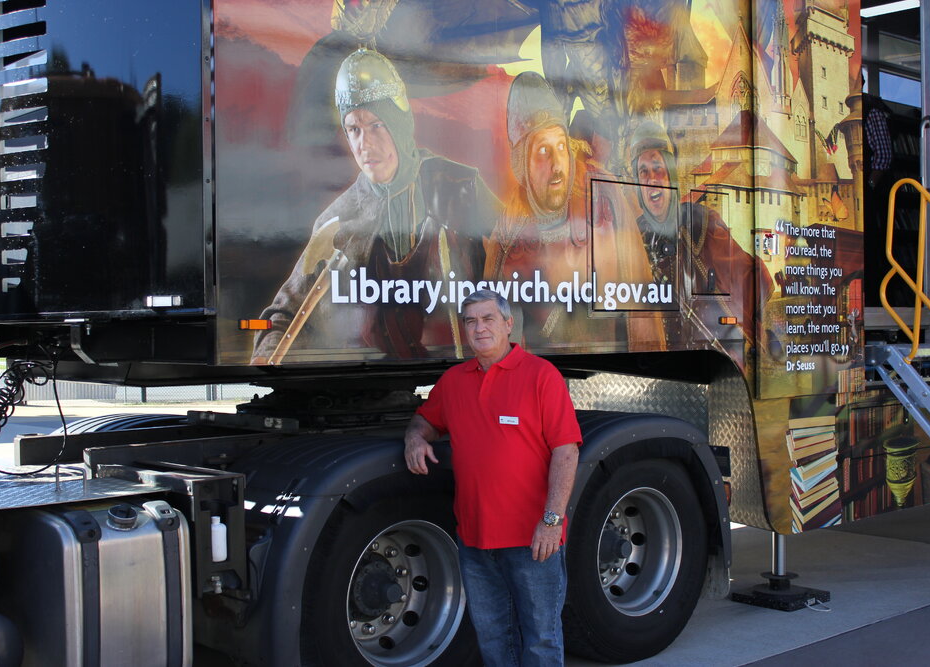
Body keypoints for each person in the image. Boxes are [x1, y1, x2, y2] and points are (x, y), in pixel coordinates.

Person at [252, 48, 500, 363]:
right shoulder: (338, 223)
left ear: (399, 124)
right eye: (354, 129)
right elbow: (285, 313)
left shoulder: (458, 184)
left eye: (376, 126)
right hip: (372, 371)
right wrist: (267, 357)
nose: (364, 144)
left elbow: (518, 257)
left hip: (463, 374)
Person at [404, 289, 580, 666]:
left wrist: (551, 522)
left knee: (541, 640)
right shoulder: (454, 381)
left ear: (508, 324)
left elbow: (566, 451)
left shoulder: (540, 376)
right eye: (471, 321)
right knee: (493, 639)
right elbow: (425, 419)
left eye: (488, 319)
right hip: (475, 540)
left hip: (532, 540)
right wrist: (415, 438)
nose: (480, 328)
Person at [485, 71, 662, 353]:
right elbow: (493, 327)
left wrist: (650, 368)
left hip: (611, 373)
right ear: (524, 166)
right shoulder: (510, 228)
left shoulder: (603, 193)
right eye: (543, 151)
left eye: (560, 147)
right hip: (541, 376)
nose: (557, 164)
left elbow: (640, 301)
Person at [629, 120, 771, 352]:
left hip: (717, 360)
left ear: (670, 175)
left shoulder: (701, 222)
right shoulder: (633, 238)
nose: (651, 179)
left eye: (658, 168)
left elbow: (752, 283)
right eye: (642, 172)